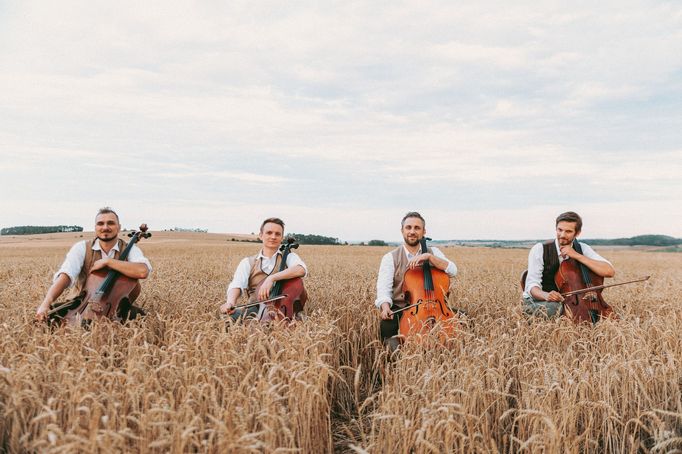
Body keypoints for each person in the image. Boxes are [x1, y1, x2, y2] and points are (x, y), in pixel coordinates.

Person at [35, 207, 152, 323]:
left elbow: (142, 271)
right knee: (48, 320)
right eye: (100, 223)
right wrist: (46, 303)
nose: (105, 227)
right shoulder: (82, 247)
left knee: (140, 320)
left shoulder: (130, 249)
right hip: (81, 304)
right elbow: (66, 275)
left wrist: (108, 262)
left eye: (110, 223)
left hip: (116, 307)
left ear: (119, 227)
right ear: (95, 227)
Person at [375, 212, 458, 351]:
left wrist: (430, 258)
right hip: (403, 308)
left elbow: (453, 270)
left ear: (423, 231)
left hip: (436, 306)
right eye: (408, 227)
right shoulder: (390, 257)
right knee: (387, 326)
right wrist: (385, 307)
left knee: (465, 319)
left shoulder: (433, 252)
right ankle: (396, 364)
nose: (412, 231)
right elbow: (384, 289)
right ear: (402, 231)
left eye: (417, 228)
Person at [522, 211, 615, 318]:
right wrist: (546, 295)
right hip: (539, 300)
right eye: (559, 230)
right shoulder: (540, 249)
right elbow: (532, 286)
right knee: (556, 309)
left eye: (568, 231)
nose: (562, 235)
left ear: (577, 233)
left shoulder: (582, 248)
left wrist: (576, 255)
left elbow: (609, 271)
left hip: (570, 301)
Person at [219, 217, 307, 321]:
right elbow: (237, 285)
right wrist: (231, 302)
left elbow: (301, 269)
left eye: (277, 234)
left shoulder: (289, 257)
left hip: (284, 310)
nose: (273, 237)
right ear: (261, 235)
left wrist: (272, 278)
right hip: (256, 309)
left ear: (282, 237)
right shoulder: (248, 262)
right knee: (228, 318)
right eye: (269, 233)